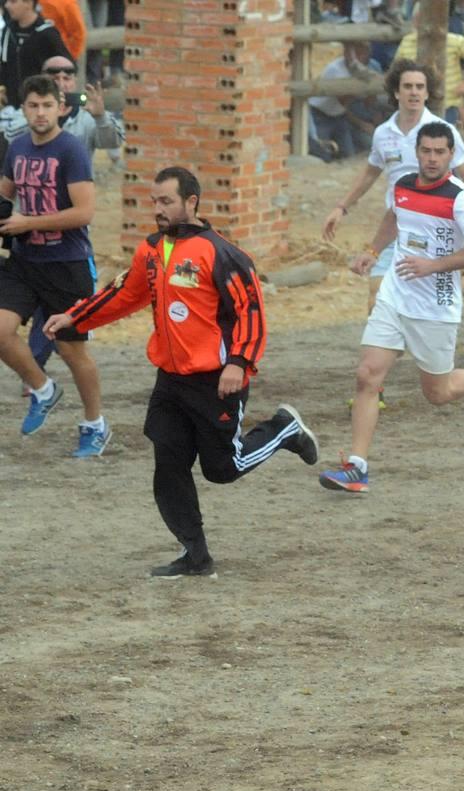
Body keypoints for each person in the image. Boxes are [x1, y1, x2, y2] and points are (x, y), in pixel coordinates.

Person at [42, 167, 320, 577]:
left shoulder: (222, 253)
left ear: (191, 202)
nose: (158, 209)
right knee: (168, 465)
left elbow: (252, 311)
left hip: (216, 380)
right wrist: (75, 317)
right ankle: (195, 555)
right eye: (154, 201)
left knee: (222, 469)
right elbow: (124, 295)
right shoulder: (151, 250)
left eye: (166, 201)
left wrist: (239, 362)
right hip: (170, 380)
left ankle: (283, 429)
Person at [320, 122, 464, 494]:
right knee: (367, 375)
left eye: (440, 152)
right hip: (394, 295)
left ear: (451, 155)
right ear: (417, 152)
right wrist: (372, 253)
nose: (432, 158)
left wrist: (433, 266)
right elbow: (393, 216)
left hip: (435, 305)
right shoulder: (404, 185)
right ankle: (357, 467)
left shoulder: (461, 198)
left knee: (437, 394)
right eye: (426, 151)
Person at [321, 60, 464, 357]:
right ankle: (375, 379)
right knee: (376, 299)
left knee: (433, 300)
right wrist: (341, 207)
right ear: (396, 91)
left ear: (428, 93)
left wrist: (463, 215)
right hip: (395, 228)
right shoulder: (383, 133)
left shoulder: (441, 131)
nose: (414, 93)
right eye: (408, 86)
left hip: (435, 229)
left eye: (420, 87)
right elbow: (369, 173)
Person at [0, 75, 104, 455]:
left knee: (71, 350)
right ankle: (43, 390)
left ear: (61, 108)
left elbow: (84, 212)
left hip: (67, 263)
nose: (40, 112)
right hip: (25, 261)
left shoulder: (71, 150)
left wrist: (28, 222)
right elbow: (4, 195)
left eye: (47, 105)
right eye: (33, 105)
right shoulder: (18, 146)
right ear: (23, 108)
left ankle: (94, 424)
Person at [394, 5, 464, 144]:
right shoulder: (408, 42)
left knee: (439, 142)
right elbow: (397, 69)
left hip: (447, 102)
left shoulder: (453, 40)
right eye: (419, 19)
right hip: (416, 104)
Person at [307, 42, 380, 161]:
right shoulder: (335, 69)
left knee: (348, 155)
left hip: (339, 116)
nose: (360, 57)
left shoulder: (369, 67)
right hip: (320, 114)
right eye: (356, 54)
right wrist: (364, 86)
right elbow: (343, 101)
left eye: (363, 54)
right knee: (322, 154)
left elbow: (370, 100)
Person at [0, 0, 69, 112]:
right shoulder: (7, 31)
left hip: (40, 108)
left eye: (13, 1)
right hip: (12, 107)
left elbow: (67, 67)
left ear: (29, 3)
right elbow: (4, 65)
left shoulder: (47, 33)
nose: (7, 5)